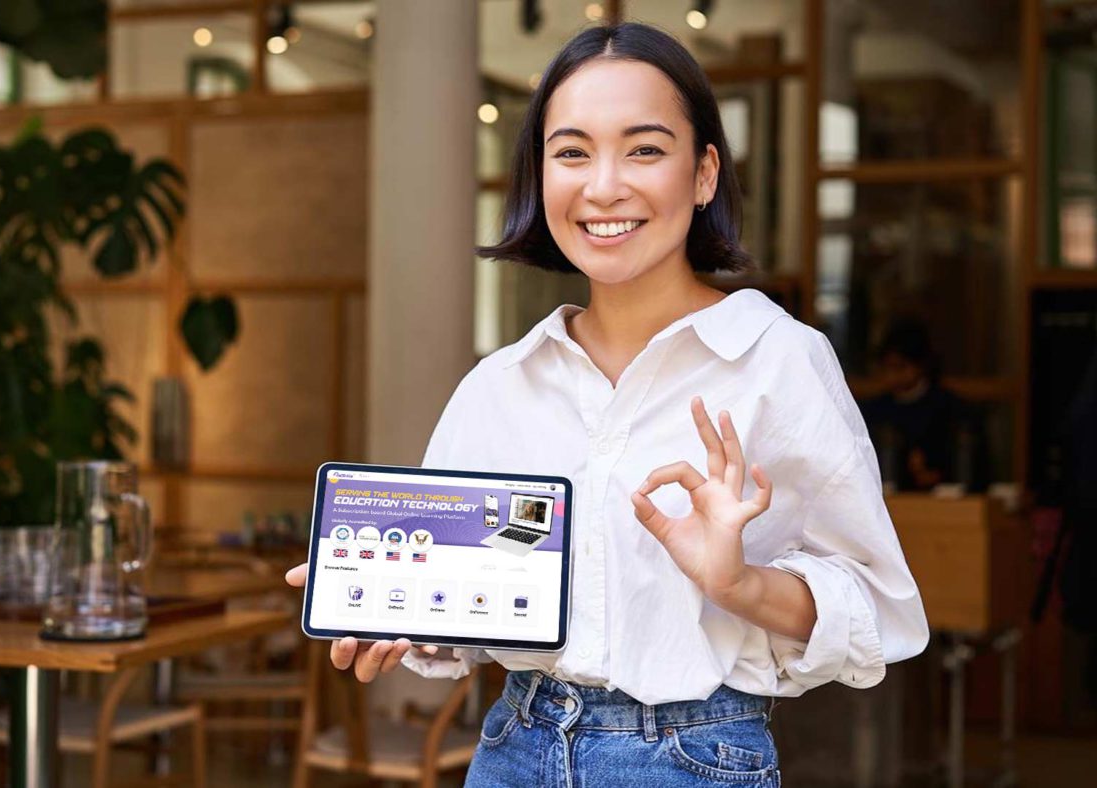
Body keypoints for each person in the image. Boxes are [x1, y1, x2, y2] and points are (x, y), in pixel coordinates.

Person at [285, 22, 927, 786]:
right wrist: (397, 606)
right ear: (540, 174)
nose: (603, 186)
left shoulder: (775, 360)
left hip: (693, 758)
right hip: (512, 750)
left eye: (645, 149)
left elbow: (877, 609)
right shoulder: (501, 384)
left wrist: (738, 584)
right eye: (572, 151)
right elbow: (475, 603)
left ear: (704, 173)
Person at [859, 319, 989, 492]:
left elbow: (966, 461)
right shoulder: (875, 411)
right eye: (887, 367)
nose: (892, 375)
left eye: (900, 367)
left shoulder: (950, 408)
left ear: (920, 365)